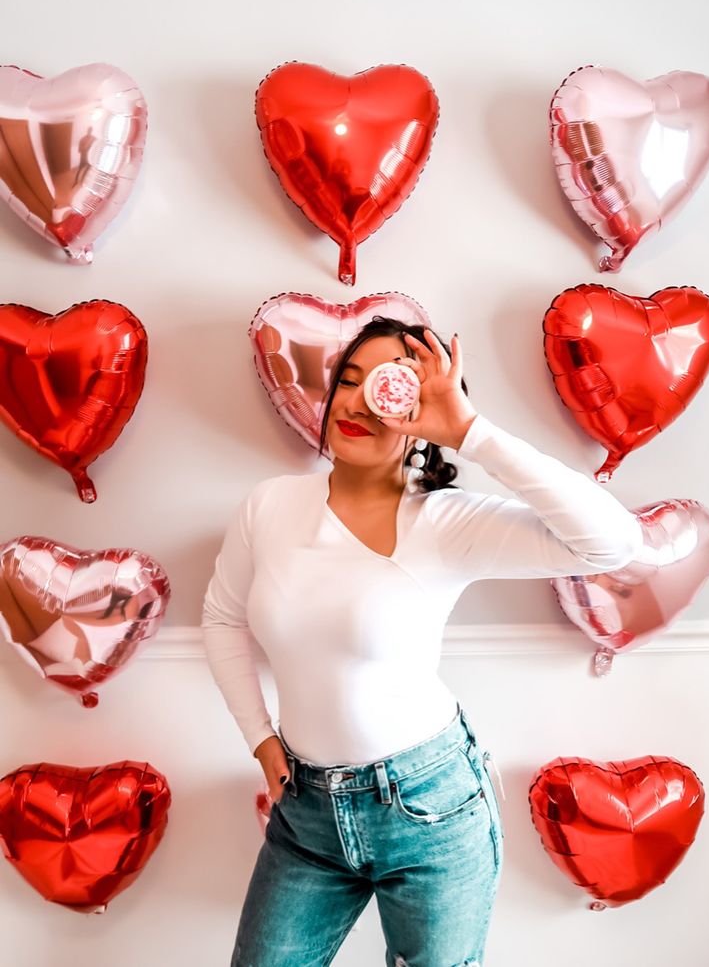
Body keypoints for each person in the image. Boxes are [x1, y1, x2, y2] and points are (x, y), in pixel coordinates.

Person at [201, 316, 643, 966]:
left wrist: (472, 433)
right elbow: (222, 617)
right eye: (347, 381)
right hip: (307, 814)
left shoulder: (446, 522)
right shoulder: (269, 507)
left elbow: (615, 542)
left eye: (387, 388)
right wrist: (261, 739)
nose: (356, 402)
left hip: (430, 811)